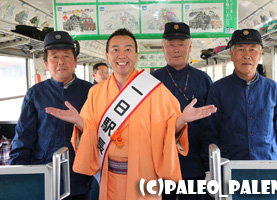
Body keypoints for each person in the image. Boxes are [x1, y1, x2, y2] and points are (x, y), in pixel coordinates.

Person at [45, 28, 217, 200]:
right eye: (115, 50)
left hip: (145, 176)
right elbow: (90, 132)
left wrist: (181, 121)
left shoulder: (155, 90)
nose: (122, 55)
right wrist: (80, 123)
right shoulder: (95, 93)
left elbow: (169, 128)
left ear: (136, 55)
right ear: (107, 56)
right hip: (110, 176)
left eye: (128, 49)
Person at [9, 31, 93, 199]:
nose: (61, 61)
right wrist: (16, 175)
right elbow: (24, 137)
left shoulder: (91, 92)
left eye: (66, 56)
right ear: (46, 64)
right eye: (54, 57)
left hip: (81, 177)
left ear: (76, 62)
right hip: (45, 174)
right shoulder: (35, 94)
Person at [202, 29, 277, 164]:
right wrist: (211, 166)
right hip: (230, 163)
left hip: (266, 161)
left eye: (252, 50)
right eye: (241, 49)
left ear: (260, 54)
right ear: (231, 55)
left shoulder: (272, 88)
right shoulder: (218, 89)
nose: (247, 56)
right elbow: (210, 132)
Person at [151, 22, 212, 200]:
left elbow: (210, 124)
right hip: (161, 163)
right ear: (163, 48)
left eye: (181, 44)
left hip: (195, 163)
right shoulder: (151, 81)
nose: (176, 49)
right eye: (171, 45)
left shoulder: (204, 80)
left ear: (190, 47)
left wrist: (208, 163)